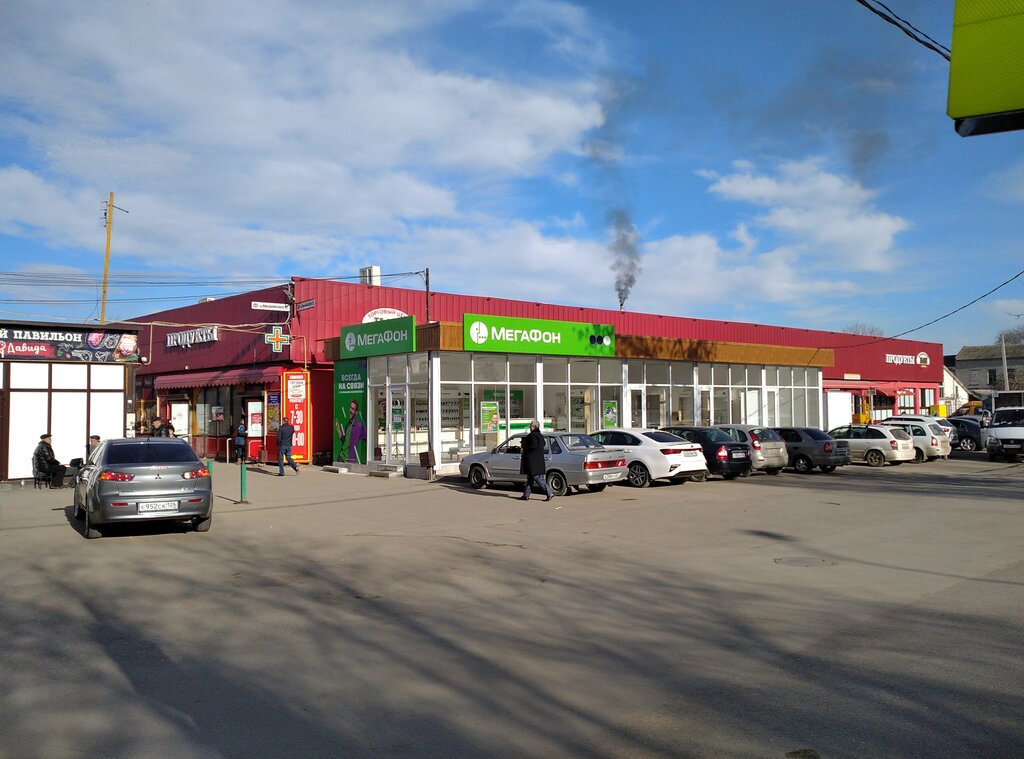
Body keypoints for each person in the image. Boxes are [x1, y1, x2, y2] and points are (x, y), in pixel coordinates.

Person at [519, 420, 553, 501]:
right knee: (530, 479)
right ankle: (526, 495)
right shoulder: (540, 435)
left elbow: (533, 446)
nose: (530, 428)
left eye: (531, 426)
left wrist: (524, 449)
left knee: (536, 477)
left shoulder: (532, 435)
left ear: (533, 427)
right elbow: (543, 444)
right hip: (539, 460)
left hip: (532, 461)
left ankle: (549, 492)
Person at [335, 398, 366, 464]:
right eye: (350, 408)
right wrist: (338, 430)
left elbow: (367, 437)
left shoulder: (359, 427)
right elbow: (345, 442)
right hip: (341, 456)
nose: (350, 410)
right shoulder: (348, 425)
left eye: (353, 409)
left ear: (356, 412)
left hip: (350, 459)